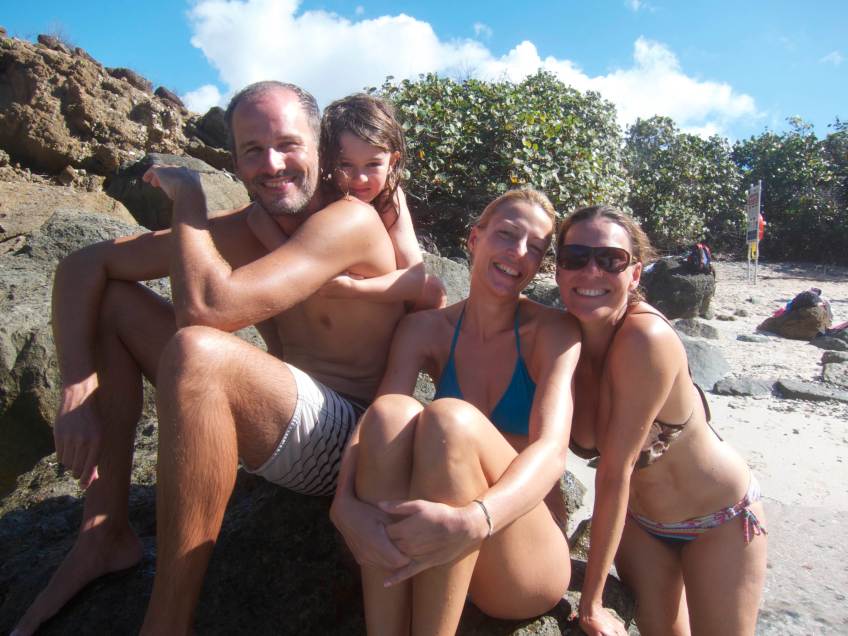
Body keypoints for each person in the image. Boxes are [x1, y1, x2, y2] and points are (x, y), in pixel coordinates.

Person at [13, 81, 409, 636]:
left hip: (353, 443)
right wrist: (77, 388)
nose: (272, 164)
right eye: (253, 150)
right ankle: (103, 533)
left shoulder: (350, 220)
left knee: (198, 351)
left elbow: (205, 312)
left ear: (320, 147)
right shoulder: (250, 226)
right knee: (115, 303)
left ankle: (166, 625)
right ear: (236, 162)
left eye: (288, 145)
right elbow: (83, 267)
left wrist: (190, 203)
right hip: (280, 417)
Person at [331, 189, 582, 635]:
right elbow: (374, 423)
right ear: (474, 238)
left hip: (522, 553)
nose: (518, 253)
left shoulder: (554, 331)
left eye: (535, 248)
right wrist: (343, 502)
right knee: (391, 413)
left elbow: (552, 452)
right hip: (441, 548)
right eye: (507, 234)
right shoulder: (424, 329)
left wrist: (476, 519)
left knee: (450, 419)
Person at [556, 205, 768, 636]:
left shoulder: (645, 338)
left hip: (720, 518)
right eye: (575, 257)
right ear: (558, 269)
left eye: (610, 260)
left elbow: (615, 471)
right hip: (641, 525)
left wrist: (592, 603)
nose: (591, 271)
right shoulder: (555, 339)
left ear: (635, 274)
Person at [317, 93, 446, 310]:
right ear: (329, 161)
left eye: (373, 164)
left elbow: (415, 278)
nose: (360, 179)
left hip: (381, 292)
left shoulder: (389, 196)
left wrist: (354, 288)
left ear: (392, 162)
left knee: (432, 290)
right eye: (346, 164)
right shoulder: (323, 192)